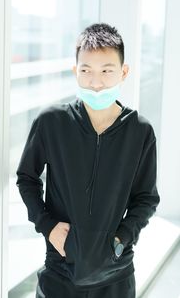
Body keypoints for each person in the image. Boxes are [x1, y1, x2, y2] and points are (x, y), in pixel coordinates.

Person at [16, 23, 160, 298]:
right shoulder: (51, 122)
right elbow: (27, 178)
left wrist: (121, 239)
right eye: (86, 71)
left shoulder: (140, 131)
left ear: (123, 72)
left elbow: (146, 198)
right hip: (59, 273)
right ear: (75, 72)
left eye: (106, 71)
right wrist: (48, 227)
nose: (96, 83)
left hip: (116, 277)